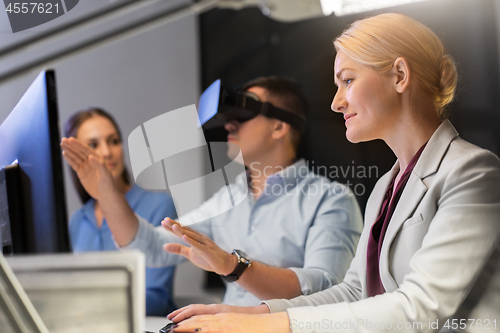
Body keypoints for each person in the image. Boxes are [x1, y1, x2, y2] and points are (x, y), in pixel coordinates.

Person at [165, 13, 500, 333]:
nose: (336, 102)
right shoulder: (387, 186)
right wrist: (249, 313)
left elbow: (420, 307)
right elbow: (354, 291)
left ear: (399, 76)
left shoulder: (472, 173)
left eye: (348, 81)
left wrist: (264, 325)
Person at [60, 76, 364, 307]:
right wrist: (107, 191)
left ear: (278, 128)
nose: (229, 124)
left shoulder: (330, 200)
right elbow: (150, 247)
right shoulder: (227, 201)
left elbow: (326, 291)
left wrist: (234, 267)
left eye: (243, 114)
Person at [64, 107, 178, 316]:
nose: (107, 152)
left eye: (113, 141)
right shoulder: (78, 221)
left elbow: (156, 298)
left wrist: (86, 309)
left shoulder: (159, 205)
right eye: (93, 145)